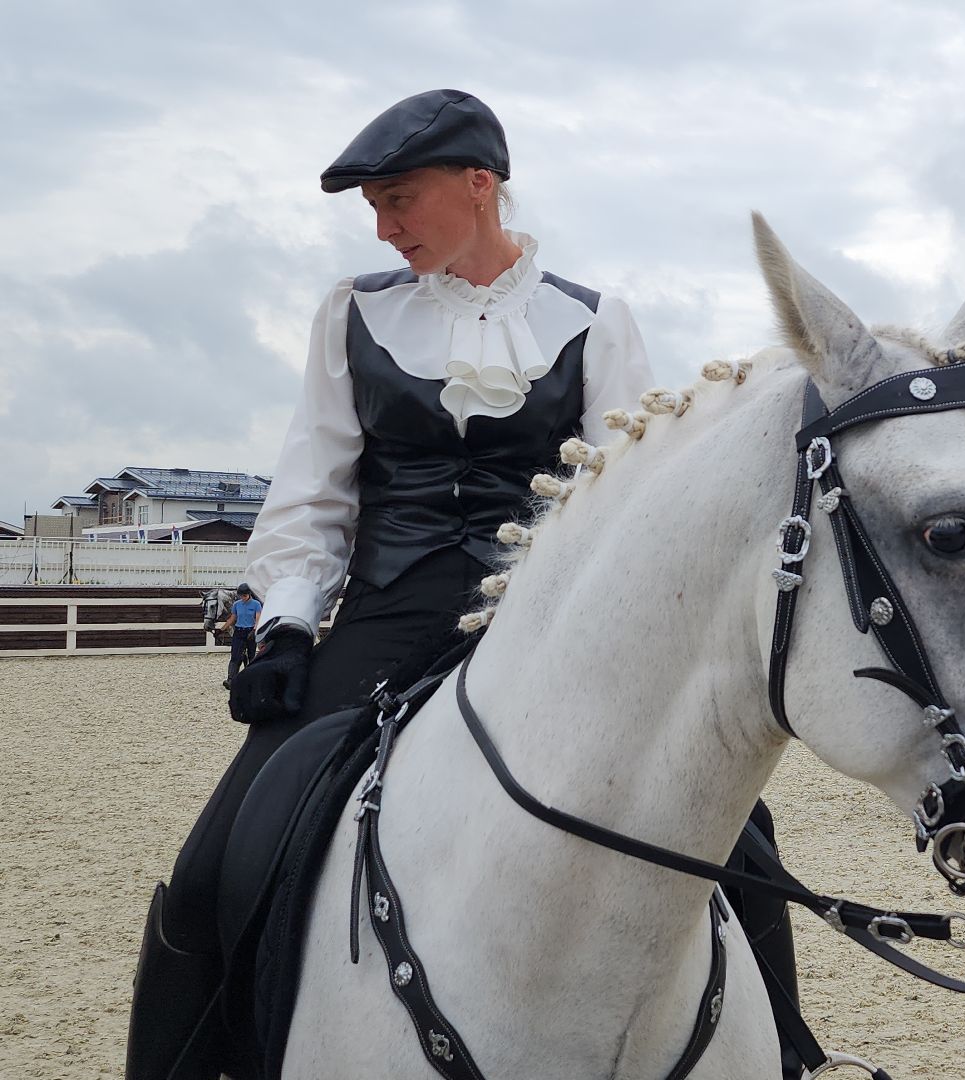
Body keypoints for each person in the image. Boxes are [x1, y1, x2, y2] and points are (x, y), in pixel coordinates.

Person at [127, 90, 799, 1080]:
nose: (383, 228)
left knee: (741, 842)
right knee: (213, 861)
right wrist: (287, 625)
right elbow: (315, 487)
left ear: (479, 185)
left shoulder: (594, 321)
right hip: (387, 615)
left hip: (548, 634)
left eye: (398, 200)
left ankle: (788, 1053)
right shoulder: (354, 312)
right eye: (374, 208)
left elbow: (632, 506)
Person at [220, 583, 261, 689]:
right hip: (239, 632)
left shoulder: (256, 604)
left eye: (244, 595)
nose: (242, 597)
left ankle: (252, 679)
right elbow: (232, 618)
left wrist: (254, 630)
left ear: (249, 594)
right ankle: (231, 679)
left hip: (250, 632)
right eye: (241, 595)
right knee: (235, 655)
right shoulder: (237, 604)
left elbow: (258, 619)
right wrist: (221, 629)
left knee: (251, 656)